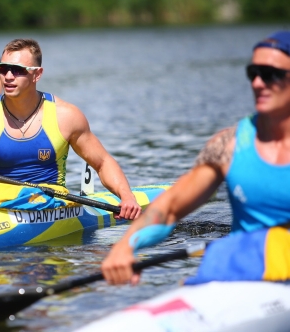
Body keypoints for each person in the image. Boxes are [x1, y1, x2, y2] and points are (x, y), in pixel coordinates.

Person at [102, 30, 290, 285]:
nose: (257, 83)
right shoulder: (228, 145)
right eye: (252, 73)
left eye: (270, 75)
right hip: (246, 276)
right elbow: (169, 209)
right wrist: (126, 245)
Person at [0, 38, 141, 220]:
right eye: (3, 69)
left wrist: (127, 197)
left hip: (48, 199)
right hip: (0, 199)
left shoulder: (66, 116)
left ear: (37, 73)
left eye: (18, 70)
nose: (8, 76)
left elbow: (103, 162)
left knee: (36, 196)